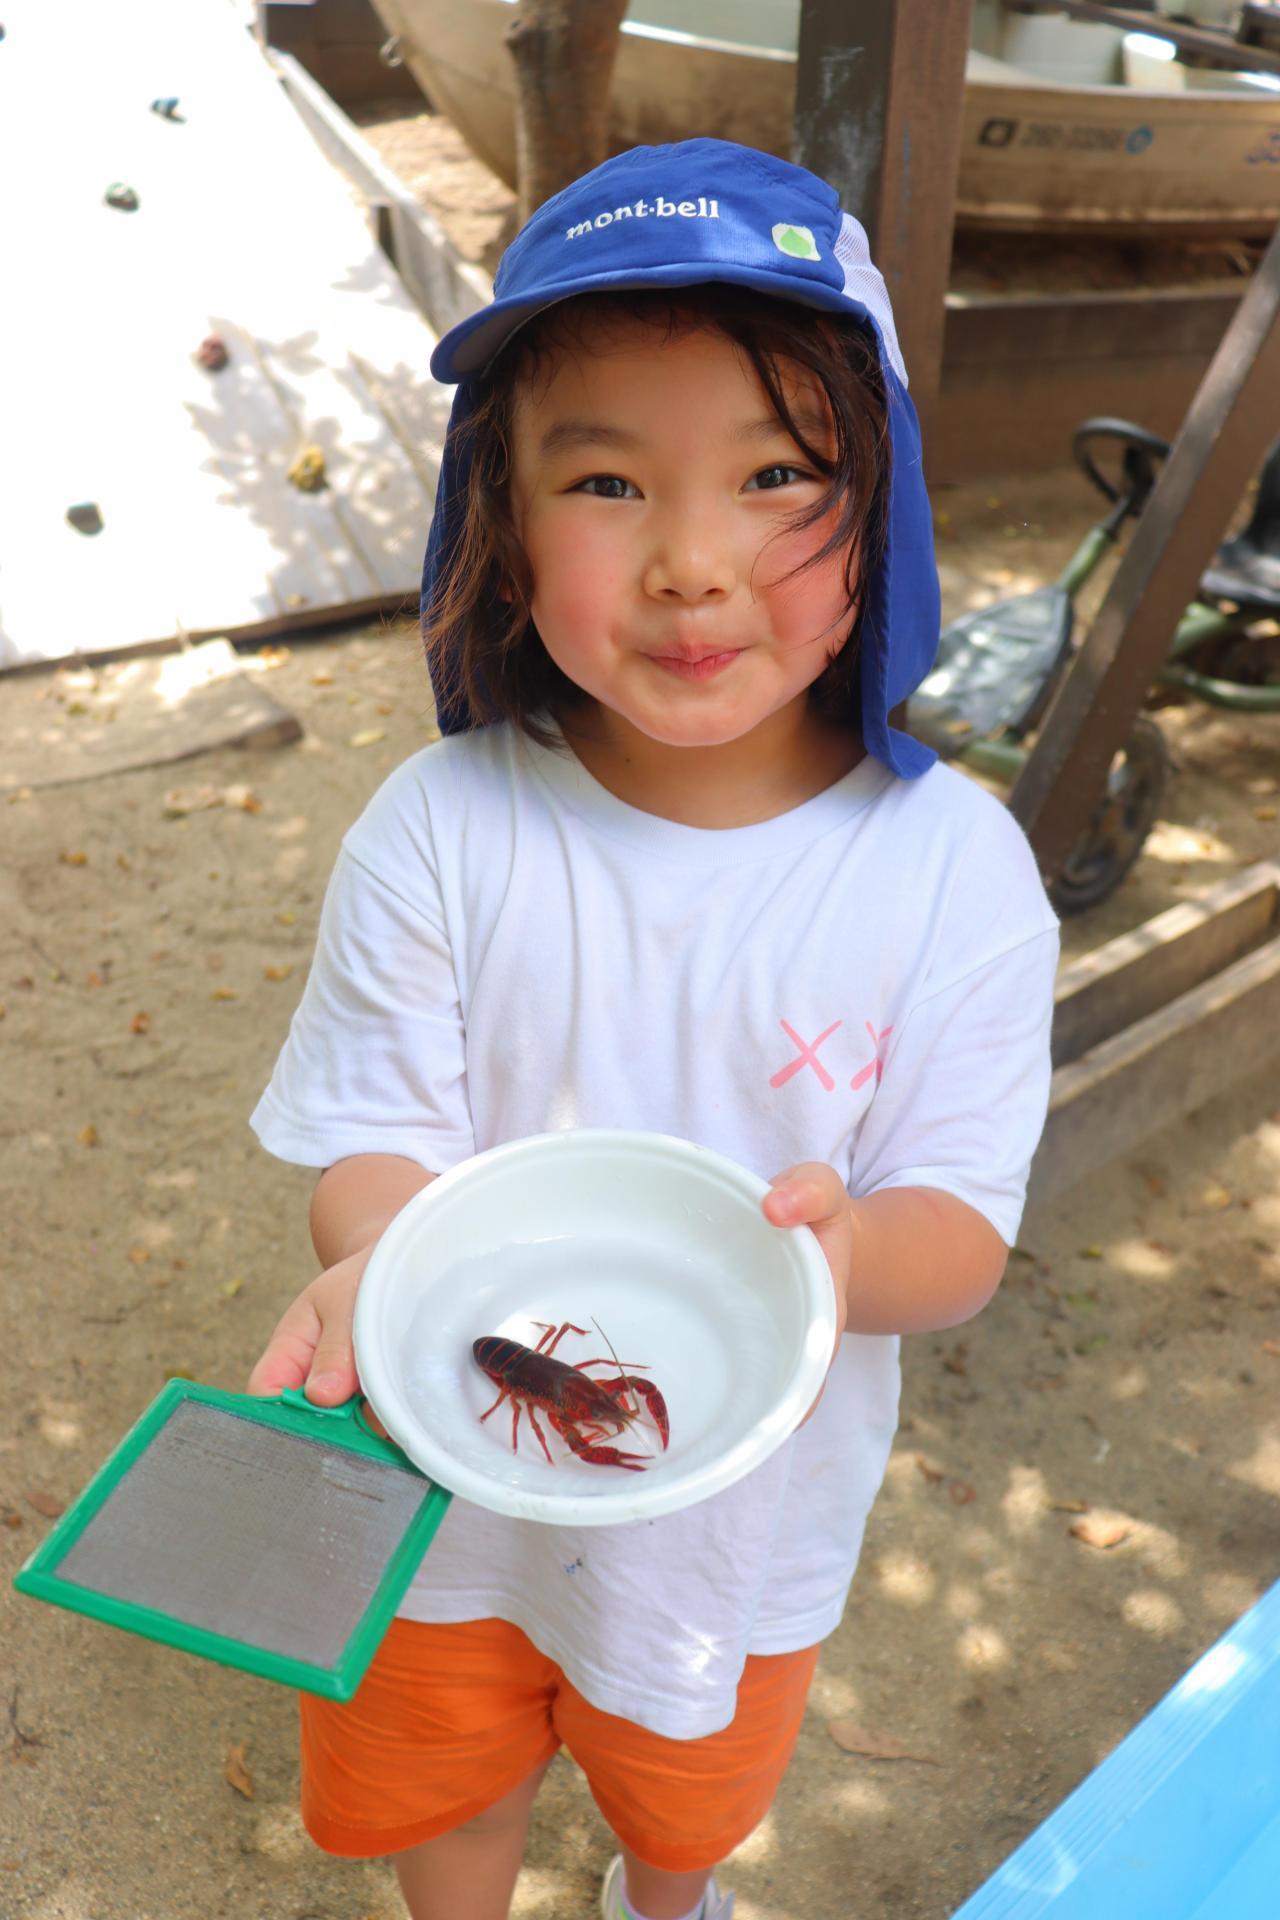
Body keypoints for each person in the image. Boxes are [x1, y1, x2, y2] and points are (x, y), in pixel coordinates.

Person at [247, 137, 1059, 1920]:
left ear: (885, 509)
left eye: (778, 475)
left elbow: (960, 1229)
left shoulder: (955, 873)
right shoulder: (438, 829)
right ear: (501, 519)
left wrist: (840, 1256)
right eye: (606, 480)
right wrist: (387, 1263)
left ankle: (659, 1903)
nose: (694, 563)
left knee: (685, 1806)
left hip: (734, 1532)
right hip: (440, 1490)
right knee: (436, 1776)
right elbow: (371, 1143)